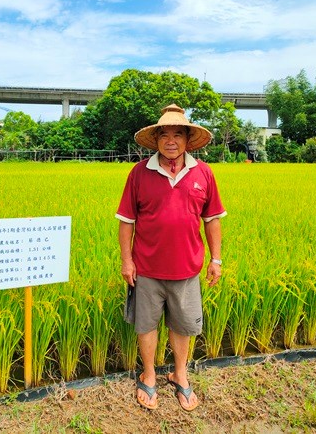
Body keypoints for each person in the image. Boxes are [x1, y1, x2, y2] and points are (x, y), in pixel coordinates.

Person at [116, 103, 226, 411]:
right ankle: (149, 374)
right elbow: (126, 221)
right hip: (147, 269)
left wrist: (215, 259)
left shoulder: (203, 173)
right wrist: (127, 260)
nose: (171, 141)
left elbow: (213, 218)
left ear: (188, 139)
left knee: (182, 326)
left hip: (187, 269)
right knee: (146, 325)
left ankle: (180, 374)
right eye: (164, 134)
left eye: (178, 134)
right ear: (156, 140)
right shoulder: (139, 173)